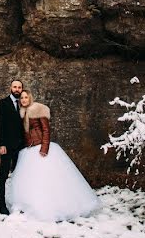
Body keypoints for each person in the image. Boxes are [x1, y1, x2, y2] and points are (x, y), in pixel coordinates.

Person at [5, 90, 102, 221]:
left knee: (49, 178)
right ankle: (30, 205)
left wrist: (44, 147)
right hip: (29, 149)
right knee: (33, 180)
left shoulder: (39, 109)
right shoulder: (21, 113)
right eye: (22, 98)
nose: (23, 100)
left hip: (40, 147)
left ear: (30, 98)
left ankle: (57, 207)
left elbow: (46, 129)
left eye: (26, 97)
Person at [0, 80, 26, 215]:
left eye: (19, 87)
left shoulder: (24, 103)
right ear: (10, 88)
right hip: (7, 147)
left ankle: (19, 203)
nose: (17, 89)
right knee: (3, 175)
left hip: (21, 147)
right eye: (15, 87)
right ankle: (2, 205)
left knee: (20, 175)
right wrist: (1, 144)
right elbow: (0, 125)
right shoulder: (3, 103)